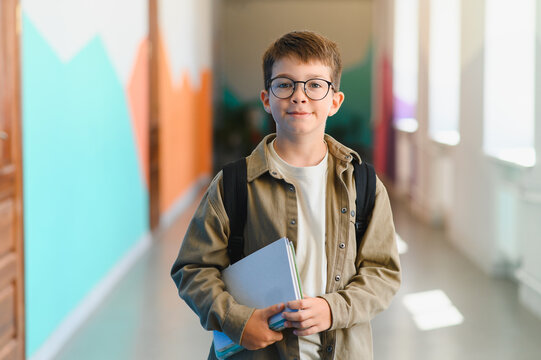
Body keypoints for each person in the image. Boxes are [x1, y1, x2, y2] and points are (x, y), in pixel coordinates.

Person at [171, 30, 401, 360]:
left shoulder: (363, 184)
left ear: (334, 101)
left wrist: (332, 309)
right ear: (267, 99)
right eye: (284, 83)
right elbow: (192, 269)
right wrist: (239, 321)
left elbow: (383, 273)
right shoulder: (233, 184)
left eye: (315, 84)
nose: (299, 96)